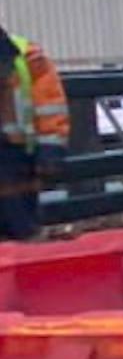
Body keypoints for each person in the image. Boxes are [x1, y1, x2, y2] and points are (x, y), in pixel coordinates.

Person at [0, 24, 69, 240]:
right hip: (16, 158)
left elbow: (50, 105)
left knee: (22, 229)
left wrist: (50, 149)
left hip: (17, 159)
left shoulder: (28, 56)